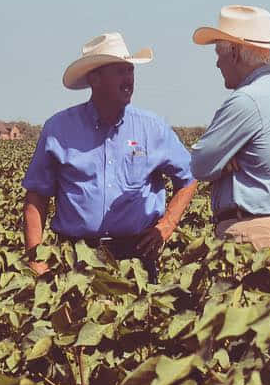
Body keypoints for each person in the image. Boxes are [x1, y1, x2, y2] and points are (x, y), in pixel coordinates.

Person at [22, 32, 198, 279]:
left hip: (134, 258)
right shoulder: (59, 129)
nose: (129, 79)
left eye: (130, 71)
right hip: (76, 257)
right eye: (120, 71)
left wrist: (167, 224)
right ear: (95, 78)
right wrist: (36, 260)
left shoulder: (152, 127)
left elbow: (189, 177)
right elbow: (36, 198)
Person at [190, 5, 270, 249]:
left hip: (251, 234)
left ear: (234, 53)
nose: (217, 64)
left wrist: (220, 165)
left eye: (218, 54)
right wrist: (224, 160)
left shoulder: (247, 100)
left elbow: (199, 164)